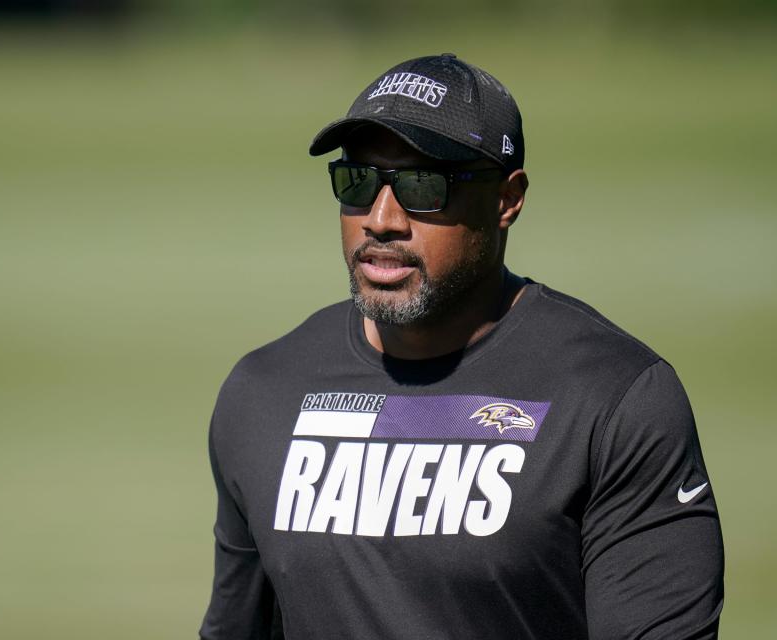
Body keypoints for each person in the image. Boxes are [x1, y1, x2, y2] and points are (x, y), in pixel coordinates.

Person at [200, 53, 724, 640]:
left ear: (507, 200)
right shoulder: (264, 394)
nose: (381, 219)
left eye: (424, 187)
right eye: (358, 181)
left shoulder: (614, 400)